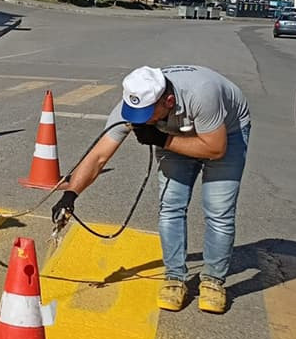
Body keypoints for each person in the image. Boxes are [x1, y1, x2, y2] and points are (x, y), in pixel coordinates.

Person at [52, 65, 251, 314]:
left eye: (146, 114)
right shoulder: (133, 104)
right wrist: (70, 195)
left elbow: (215, 149)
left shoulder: (202, 93)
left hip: (224, 132)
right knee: (171, 205)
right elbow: (99, 156)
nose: (139, 121)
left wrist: (162, 139)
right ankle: (175, 278)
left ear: (168, 101)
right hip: (173, 129)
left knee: (218, 210)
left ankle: (213, 280)